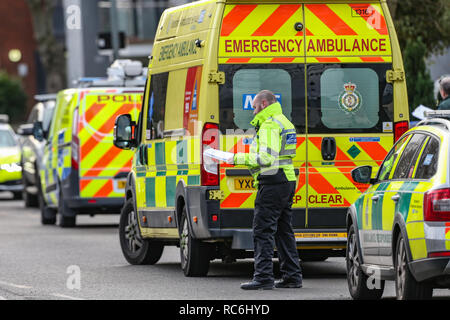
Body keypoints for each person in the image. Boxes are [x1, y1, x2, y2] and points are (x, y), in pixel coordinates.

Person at [227, 90, 302, 290]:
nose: (252, 113)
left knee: (263, 230)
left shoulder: (269, 124)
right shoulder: (284, 121)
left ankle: (263, 277)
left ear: (263, 104)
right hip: (286, 179)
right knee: (284, 230)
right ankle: (292, 276)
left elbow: (266, 158)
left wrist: (233, 159)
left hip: (272, 180)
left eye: (254, 107)